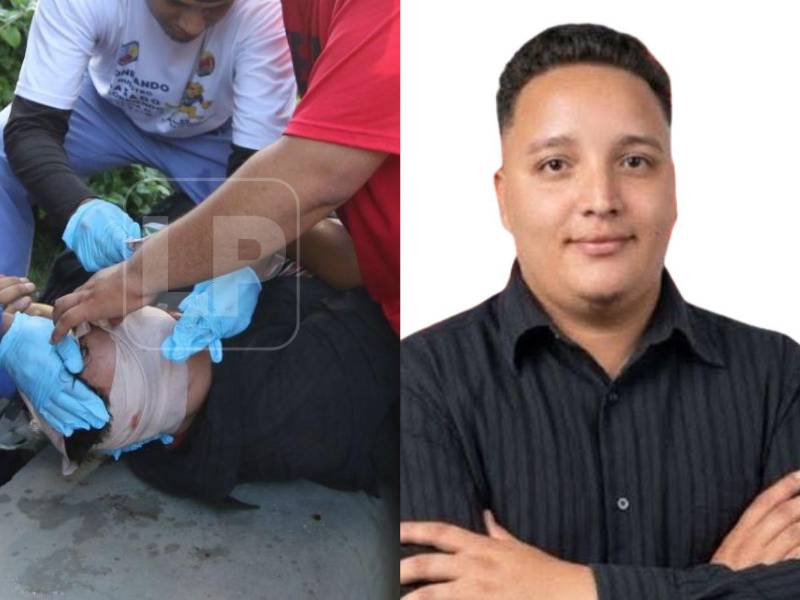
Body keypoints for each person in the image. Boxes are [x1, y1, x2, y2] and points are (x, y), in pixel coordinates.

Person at [399, 24, 800, 599]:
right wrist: (723, 586)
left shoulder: (778, 376)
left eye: (635, 161)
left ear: (674, 187)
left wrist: (573, 588)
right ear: (503, 196)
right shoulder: (424, 381)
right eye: (556, 165)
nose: (601, 199)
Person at [0, 0, 296, 416]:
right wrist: (81, 211)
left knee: (272, 219)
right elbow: (30, 129)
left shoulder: (265, 11)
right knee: (1, 154)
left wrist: (242, 266)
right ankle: (5, 337)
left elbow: (258, 178)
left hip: (217, 137)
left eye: (214, 9)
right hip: (105, 111)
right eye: (177, 2)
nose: (193, 24)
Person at [0, 269, 397, 500]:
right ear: (131, 413)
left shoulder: (176, 399)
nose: (87, 320)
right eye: (80, 348)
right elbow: (393, 279)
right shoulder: (297, 398)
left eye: (63, 327)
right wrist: (259, 253)